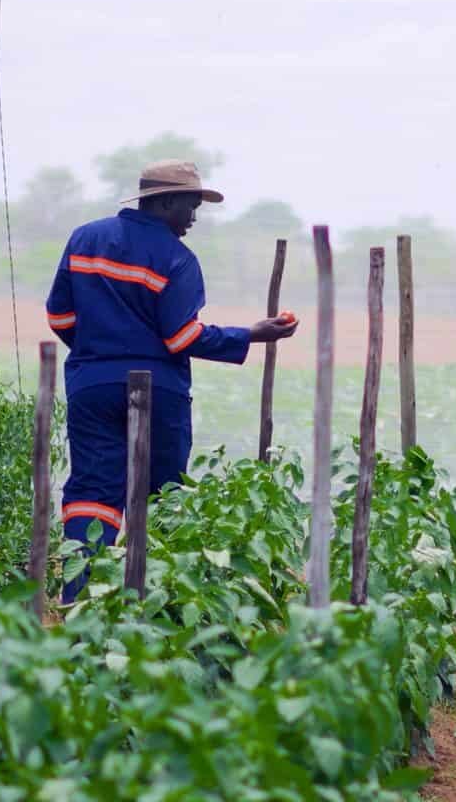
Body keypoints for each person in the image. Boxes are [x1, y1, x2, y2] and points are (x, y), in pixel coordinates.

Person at [46, 160, 298, 601]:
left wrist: (98, 353)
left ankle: (77, 598)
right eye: (190, 205)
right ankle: (157, 598)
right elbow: (181, 336)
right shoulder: (176, 258)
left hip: (90, 384)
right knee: (162, 492)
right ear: (162, 203)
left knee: (92, 491)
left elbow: (59, 316)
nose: (195, 217)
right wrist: (252, 335)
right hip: (158, 391)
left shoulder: (85, 239)